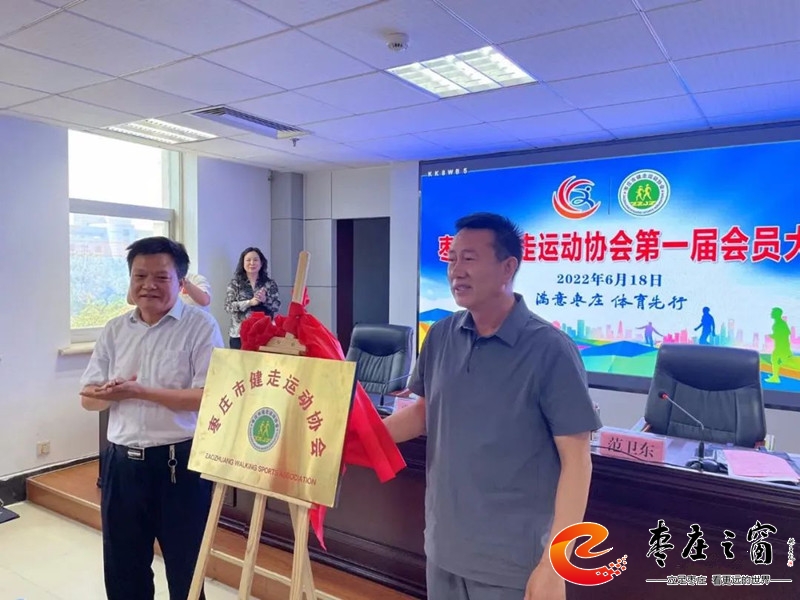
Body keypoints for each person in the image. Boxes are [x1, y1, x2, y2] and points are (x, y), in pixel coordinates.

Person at [383, 213, 600, 600]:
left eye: (469, 258)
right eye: (451, 259)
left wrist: (555, 565)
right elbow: (424, 413)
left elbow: (577, 461)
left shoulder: (550, 350)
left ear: (508, 268)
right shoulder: (441, 335)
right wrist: (356, 435)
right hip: (444, 548)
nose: (456, 271)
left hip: (512, 563)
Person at [80, 236, 224, 600]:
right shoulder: (115, 329)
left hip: (179, 466)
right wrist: (109, 393)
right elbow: (87, 400)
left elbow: (207, 398)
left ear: (181, 282)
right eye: (140, 276)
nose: (148, 285)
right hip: (121, 466)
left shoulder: (201, 327)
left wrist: (140, 391)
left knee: (186, 570)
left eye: (161, 277)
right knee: (123, 569)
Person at [224, 246, 280, 349]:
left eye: (255, 260)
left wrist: (265, 300)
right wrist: (249, 302)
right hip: (239, 334)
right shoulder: (235, 283)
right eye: (248, 260)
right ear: (243, 263)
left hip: (264, 334)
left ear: (261, 263)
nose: (252, 263)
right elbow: (228, 306)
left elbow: (276, 306)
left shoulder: (269, 283)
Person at [127, 271, 211, 311]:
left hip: (192, 326)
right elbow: (131, 300)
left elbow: (205, 301)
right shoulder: (151, 280)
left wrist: (183, 281)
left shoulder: (196, 279)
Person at [766, 307, 792, 383]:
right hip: (781, 346)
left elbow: (785, 334)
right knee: (775, 360)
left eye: (773, 312)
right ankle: (775, 375)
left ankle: (775, 378)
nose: (771, 314)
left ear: (777, 314)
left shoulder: (779, 323)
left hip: (782, 346)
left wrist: (771, 336)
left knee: (775, 360)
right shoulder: (779, 323)